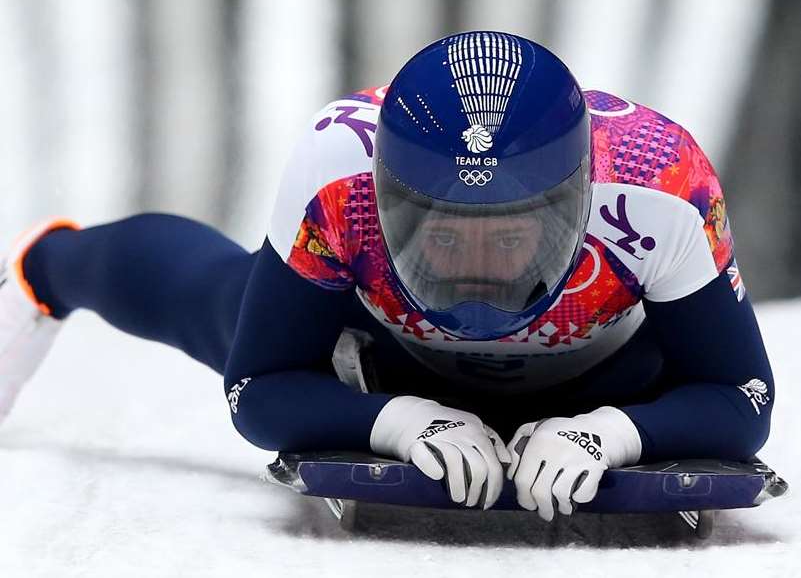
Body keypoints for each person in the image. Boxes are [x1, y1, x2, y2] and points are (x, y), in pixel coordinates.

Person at [0, 32, 774, 521]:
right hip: (385, 347)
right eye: (443, 236)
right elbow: (258, 385)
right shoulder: (336, 169)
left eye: (508, 239)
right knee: (211, 298)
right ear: (384, 196)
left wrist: (610, 432)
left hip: (608, 367)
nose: (476, 275)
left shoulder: (659, 182)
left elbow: (742, 397)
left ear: (578, 203)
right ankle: (45, 267)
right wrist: (401, 420)